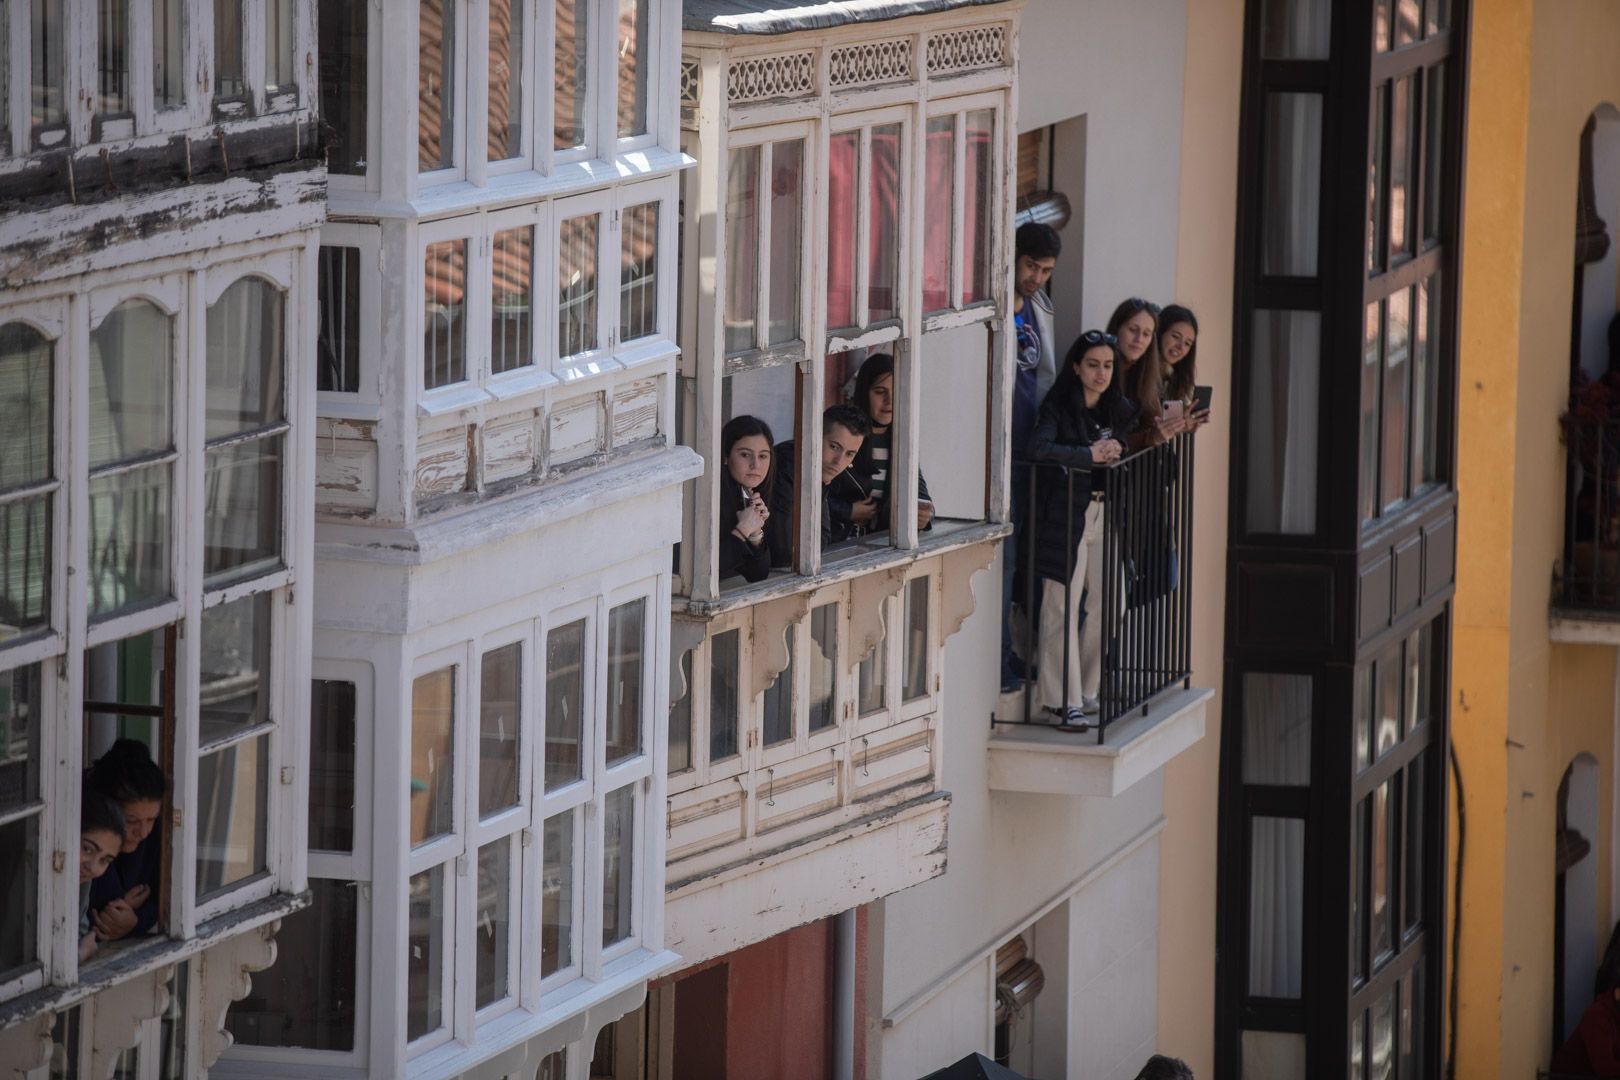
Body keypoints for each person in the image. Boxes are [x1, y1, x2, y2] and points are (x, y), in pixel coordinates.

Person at [1030, 330, 1137, 724]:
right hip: (1065, 514)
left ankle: (1087, 690)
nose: (1101, 373)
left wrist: (1117, 451)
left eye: (1108, 365)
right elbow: (1037, 449)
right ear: (1076, 367)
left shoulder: (1117, 409)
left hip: (1105, 513)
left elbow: (1127, 442)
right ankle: (1063, 700)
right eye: (1093, 364)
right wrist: (1087, 455)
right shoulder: (1058, 407)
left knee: (1112, 602)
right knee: (1061, 604)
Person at [1003, 223, 1063, 691]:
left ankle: (1010, 653)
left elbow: (1044, 375)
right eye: (1031, 266)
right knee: (1004, 561)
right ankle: (1001, 657)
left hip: (1029, 455)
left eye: (1044, 270)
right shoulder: (994, 305)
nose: (1036, 277)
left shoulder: (1040, 306)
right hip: (998, 456)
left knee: (1020, 558)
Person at [85, 739, 166, 943]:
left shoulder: (154, 833)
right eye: (131, 821)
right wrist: (121, 904)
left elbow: (164, 900)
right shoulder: (83, 836)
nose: (143, 832)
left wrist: (134, 921)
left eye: (151, 820)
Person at [847, 354, 934, 534]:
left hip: (882, 547)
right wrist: (848, 511)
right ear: (864, 392)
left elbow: (923, 498)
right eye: (880, 391)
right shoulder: (844, 436)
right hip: (841, 547)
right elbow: (816, 497)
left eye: (896, 391)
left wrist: (924, 517)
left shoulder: (902, 443)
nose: (889, 400)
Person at [771, 405, 871, 559]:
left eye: (850, 454)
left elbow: (822, 539)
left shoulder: (819, 472)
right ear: (815, 436)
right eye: (834, 447)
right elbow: (785, 549)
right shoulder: (788, 466)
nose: (839, 461)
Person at [1107, 297, 1182, 446]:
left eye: (1146, 334)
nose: (1139, 339)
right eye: (1133, 330)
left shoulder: (1145, 372)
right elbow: (1101, 441)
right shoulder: (1103, 369)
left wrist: (1179, 423)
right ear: (1117, 328)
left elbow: (1153, 424)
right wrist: (1150, 438)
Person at [717, 415, 778, 584]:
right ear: (726, 456)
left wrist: (755, 533)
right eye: (745, 454)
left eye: (763, 456)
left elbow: (758, 575)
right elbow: (707, 569)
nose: (756, 465)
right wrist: (742, 529)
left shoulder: (745, 494)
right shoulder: (707, 495)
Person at [78, 791, 126, 962]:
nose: (92, 867)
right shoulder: (28, 875)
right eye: (87, 849)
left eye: (105, 860)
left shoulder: (82, 879)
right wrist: (80, 955)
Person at [1157, 304, 1208, 433]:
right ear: (1160, 332)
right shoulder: (1142, 372)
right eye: (1175, 337)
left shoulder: (1173, 377)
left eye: (1187, 343)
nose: (1180, 347)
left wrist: (1183, 425)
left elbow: (1164, 430)